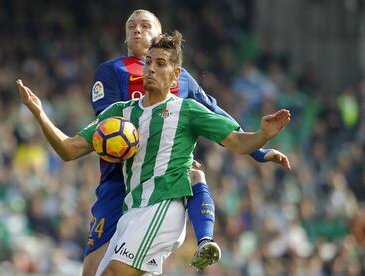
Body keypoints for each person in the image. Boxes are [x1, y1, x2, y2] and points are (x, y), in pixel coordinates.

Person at [16, 30, 291, 276]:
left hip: (163, 208)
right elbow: (68, 149)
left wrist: (263, 135)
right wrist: (40, 114)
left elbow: (238, 142)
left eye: (160, 64)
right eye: (149, 62)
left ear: (175, 74)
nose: (151, 69)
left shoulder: (187, 110)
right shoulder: (120, 114)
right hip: (130, 215)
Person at [84, 9, 291, 274]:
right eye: (131, 25)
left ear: (160, 36)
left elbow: (216, 116)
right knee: (93, 271)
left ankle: (205, 239)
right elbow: (109, 125)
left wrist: (259, 150)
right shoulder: (111, 70)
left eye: (145, 25)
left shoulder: (181, 78)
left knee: (193, 173)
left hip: (161, 182)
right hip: (119, 178)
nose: (137, 29)